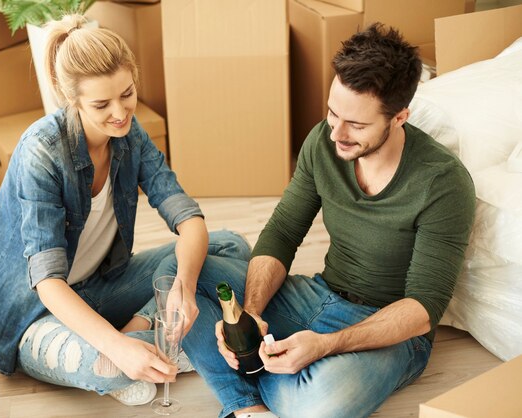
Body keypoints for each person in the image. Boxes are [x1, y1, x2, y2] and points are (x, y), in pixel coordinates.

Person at [181, 23, 476, 418]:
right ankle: (249, 407)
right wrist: (250, 314)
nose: (336, 133)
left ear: (400, 116)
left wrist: (324, 346)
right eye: (332, 113)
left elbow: (423, 307)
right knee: (184, 271)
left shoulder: (443, 182)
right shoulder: (323, 141)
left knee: (321, 403)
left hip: (388, 329)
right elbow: (283, 232)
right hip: (317, 295)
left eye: (356, 124)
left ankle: (249, 373)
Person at [0, 14, 251, 407]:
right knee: (109, 364)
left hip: (104, 285)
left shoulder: (130, 134)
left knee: (230, 247)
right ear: (73, 100)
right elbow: (49, 283)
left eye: (128, 93)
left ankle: (142, 329)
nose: (120, 112)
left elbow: (189, 219)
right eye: (101, 104)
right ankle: (146, 345)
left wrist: (185, 288)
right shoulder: (42, 151)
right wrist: (118, 347)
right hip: (39, 312)